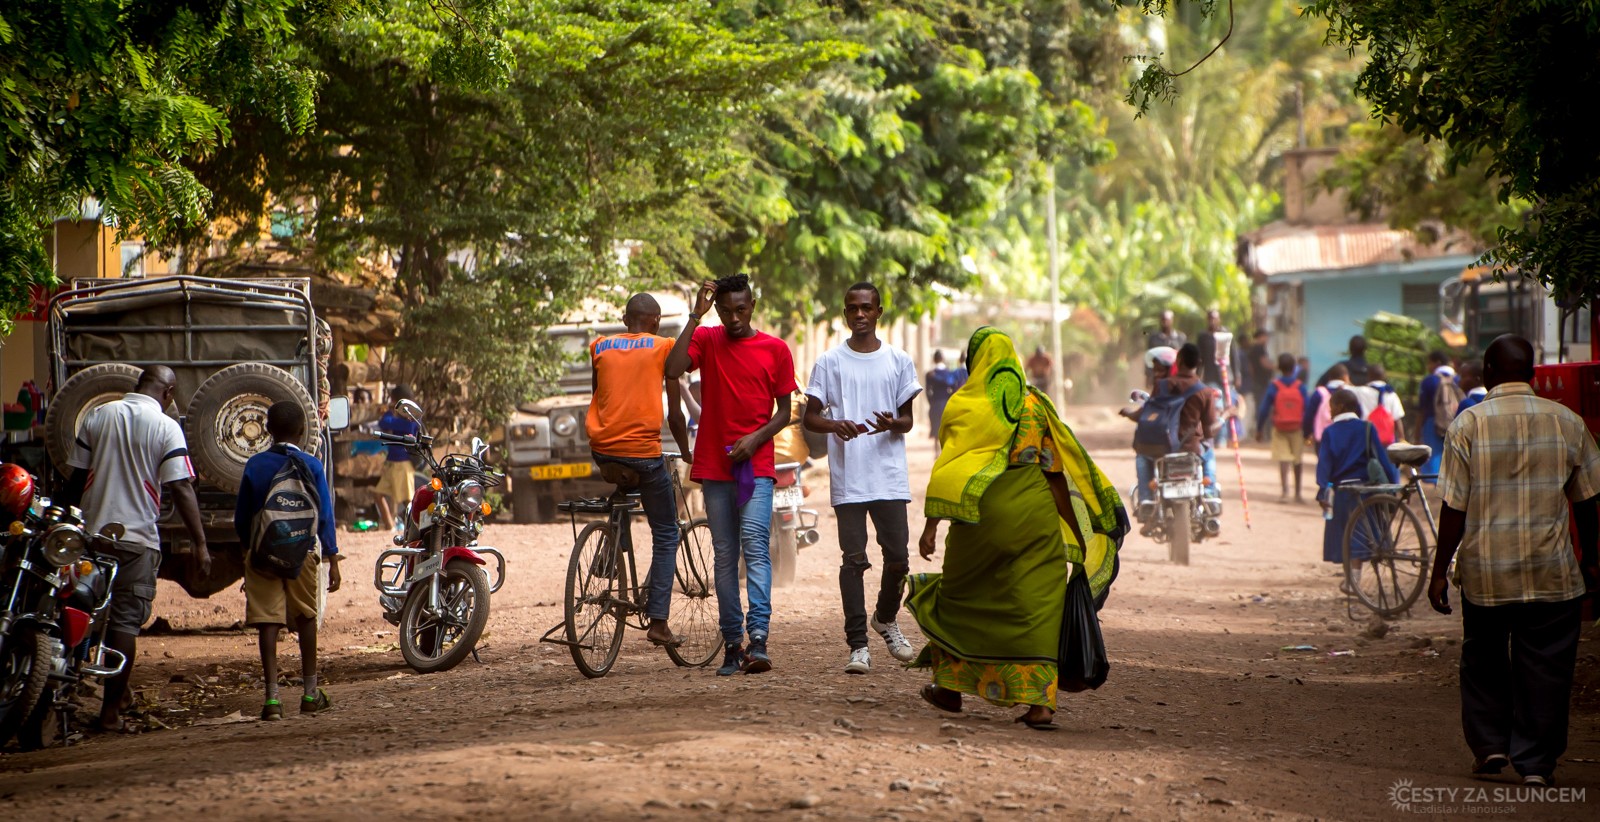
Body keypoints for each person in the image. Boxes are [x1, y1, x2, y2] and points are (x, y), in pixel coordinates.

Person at [909, 327, 1126, 730]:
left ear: (974, 363)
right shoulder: (1035, 405)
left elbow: (951, 469)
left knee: (962, 596)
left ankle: (950, 688)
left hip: (980, 518)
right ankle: (1040, 703)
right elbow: (1055, 474)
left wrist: (931, 525)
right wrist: (1079, 535)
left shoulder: (965, 404)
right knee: (1036, 604)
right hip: (1033, 516)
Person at [1428, 334, 1600, 787]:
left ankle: (1490, 746)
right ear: (1532, 373)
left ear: (1486, 372)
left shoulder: (1468, 425)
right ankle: (1537, 764)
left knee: (1483, 657)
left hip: (1487, 571)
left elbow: (1453, 507)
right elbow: (1587, 502)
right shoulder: (1568, 422)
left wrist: (1439, 571)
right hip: (1553, 570)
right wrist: (1594, 561)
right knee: (1546, 666)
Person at [59, 366, 209, 734]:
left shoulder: (99, 414)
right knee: (125, 623)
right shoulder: (165, 426)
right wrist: (201, 543)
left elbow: (75, 476)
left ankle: (68, 690)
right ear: (168, 394)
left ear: (137, 385)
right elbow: (182, 488)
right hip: (137, 541)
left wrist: (64, 522)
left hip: (92, 539)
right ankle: (110, 712)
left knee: (80, 608)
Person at [664, 274, 796, 676]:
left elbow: (786, 413)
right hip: (716, 464)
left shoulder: (775, 349)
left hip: (754, 465)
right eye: (726, 310)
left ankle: (758, 640)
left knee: (755, 544)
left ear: (752, 305)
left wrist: (756, 439)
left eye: (741, 309)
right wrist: (695, 317)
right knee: (724, 554)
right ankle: (732, 643)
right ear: (718, 309)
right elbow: (672, 368)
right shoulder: (707, 339)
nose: (734, 317)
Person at [803, 283, 923, 674]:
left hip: (888, 476)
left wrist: (894, 422)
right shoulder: (830, 362)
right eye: (852, 308)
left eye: (866, 308)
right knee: (853, 562)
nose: (859, 314)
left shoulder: (898, 360)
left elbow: (907, 420)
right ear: (844, 312)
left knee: (899, 560)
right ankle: (858, 646)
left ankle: (885, 619)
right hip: (850, 478)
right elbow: (811, 417)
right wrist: (836, 424)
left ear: (878, 312)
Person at [587, 293, 694, 648]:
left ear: (624, 318)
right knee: (666, 532)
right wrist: (686, 451)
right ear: (656, 322)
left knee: (625, 484)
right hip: (643, 454)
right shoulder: (662, 346)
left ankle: (609, 552)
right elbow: (676, 415)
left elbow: (599, 397)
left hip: (603, 453)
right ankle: (659, 623)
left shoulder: (599, 346)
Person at [236, 402, 341, 720]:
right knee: (306, 618)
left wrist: (248, 552)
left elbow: (242, 518)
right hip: (303, 553)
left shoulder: (255, 465)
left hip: (262, 553)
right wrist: (332, 559)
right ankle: (310, 694)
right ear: (301, 431)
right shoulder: (312, 464)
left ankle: (272, 700)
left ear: (267, 430)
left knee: (268, 622)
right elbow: (324, 516)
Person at [1315, 389, 1398, 588]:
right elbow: (1382, 460)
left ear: (1341, 406)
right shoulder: (1367, 428)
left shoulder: (1330, 432)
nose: (1330, 410)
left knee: (1345, 532)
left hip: (1343, 491)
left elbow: (1325, 465)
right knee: (1362, 531)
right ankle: (1355, 577)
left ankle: (1352, 579)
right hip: (1366, 490)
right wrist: (1393, 486)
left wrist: (1322, 490)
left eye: (1332, 405)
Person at [1132, 344, 1217, 503]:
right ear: (1198, 363)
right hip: (1192, 450)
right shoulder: (1205, 392)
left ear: (1178, 361)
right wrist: (1225, 417)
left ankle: (1145, 500)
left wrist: (1129, 413)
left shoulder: (1162, 385)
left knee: (1142, 457)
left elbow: (1147, 412)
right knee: (1209, 452)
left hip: (1161, 449)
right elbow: (1209, 432)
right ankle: (1209, 494)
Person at [1255, 353, 1308, 503]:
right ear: (1294, 368)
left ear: (1278, 368)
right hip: (1297, 427)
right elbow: (1308, 407)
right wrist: (1307, 428)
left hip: (1280, 428)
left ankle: (1285, 491)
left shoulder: (1274, 386)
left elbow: (1264, 409)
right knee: (1297, 459)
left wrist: (1259, 429)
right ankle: (1298, 493)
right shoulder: (1300, 386)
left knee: (1283, 458)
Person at [375, 385, 420, 530]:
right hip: (392, 463)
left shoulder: (411, 421)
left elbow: (385, 422)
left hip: (402, 464)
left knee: (408, 501)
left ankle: (416, 527)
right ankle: (389, 525)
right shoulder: (404, 418)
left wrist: (389, 411)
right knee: (378, 494)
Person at [1416, 351, 1456, 478]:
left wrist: (1418, 430)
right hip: (1456, 420)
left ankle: (1433, 486)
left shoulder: (1429, 381)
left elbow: (1422, 408)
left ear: (1437, 362)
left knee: (1433, 454)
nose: (1428, 366)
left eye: (1429, 362)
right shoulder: (1459, 378)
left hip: (1432, 421)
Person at [924, 350, 966, 458]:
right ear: (942, 359)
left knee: (936, 428)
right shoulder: (949, 373)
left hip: (935, 403)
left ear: (934, 359)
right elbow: (951, 384)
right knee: (946, 427)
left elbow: (927, 391)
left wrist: (931, 402)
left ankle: (937, 451)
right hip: (946, 403)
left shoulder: (930, 374)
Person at [1353, 363, 1406, 445]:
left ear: (1369, 376)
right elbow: (1397, 418)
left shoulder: (1360, 391)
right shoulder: (1391, 394)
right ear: (1384, 376)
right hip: (1387, 439)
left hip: (1366, 436)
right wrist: (1402, 438)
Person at [1302, 363, 1350, 446]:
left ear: (1329, 378)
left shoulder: (1319, 393)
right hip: (1345, 437)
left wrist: (1307, 433)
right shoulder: (1350, 392)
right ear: (1345, 377)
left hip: (1322, 437)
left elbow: (1309, 416)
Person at [1246, 330, 1273, 436]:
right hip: (1261, 383)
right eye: (1265, 337)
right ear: (1261, 337)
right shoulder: (1259, 348)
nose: (1267, 339)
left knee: (1260, 406)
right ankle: (1263, 432)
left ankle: (1261, 431)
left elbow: (1250, 367)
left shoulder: (1253, 349)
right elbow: (1264, 363)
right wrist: (1278, 367)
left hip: (1258, 382)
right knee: (1264, 407)